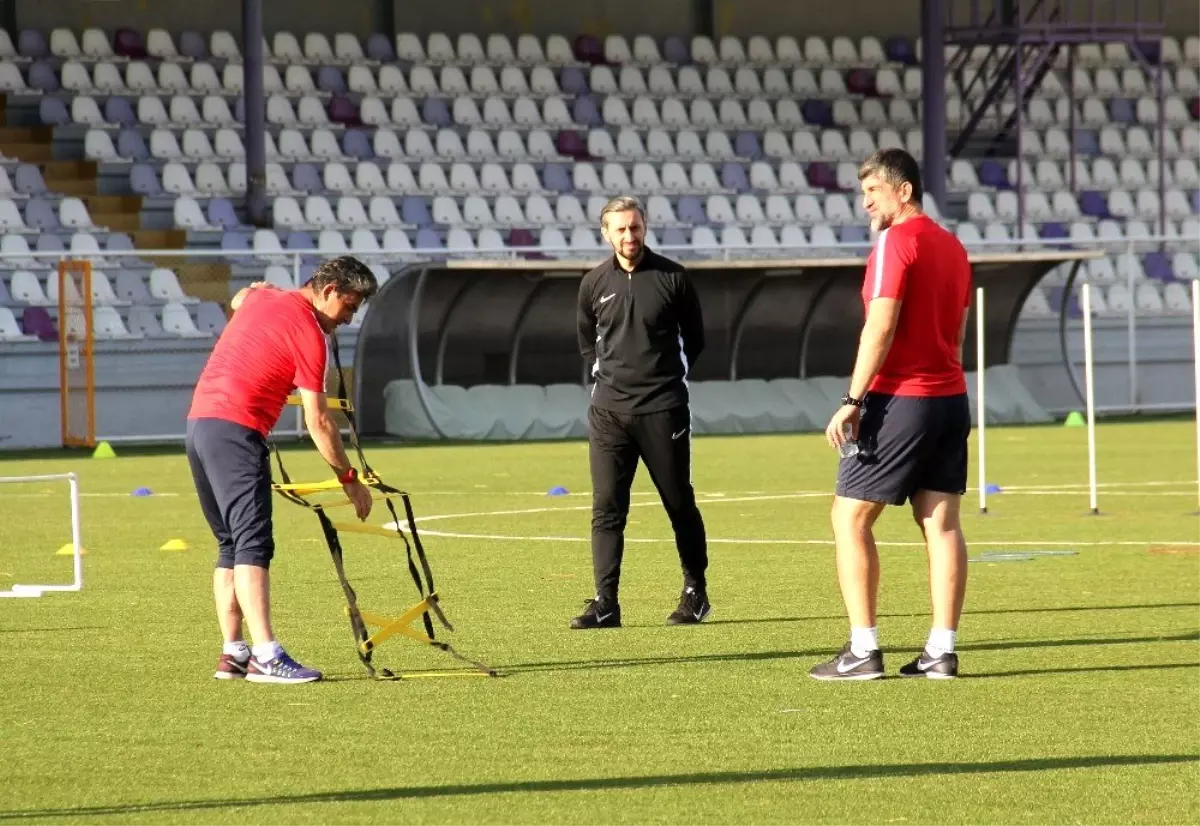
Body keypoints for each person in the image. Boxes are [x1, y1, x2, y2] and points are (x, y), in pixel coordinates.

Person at [808, 149, 973, 681]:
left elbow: (879, 327)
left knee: (848, 517)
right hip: (950, 398)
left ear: (903, 191)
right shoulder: (953, 247)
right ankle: (941, 651)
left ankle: (862, 650)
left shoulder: (894, 243)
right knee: (941, 524)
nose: (866, 204)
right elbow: (958, 333)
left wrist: (853, 400)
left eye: (873, 192)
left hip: (902, 400)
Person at [186, 256, 377, 684]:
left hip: (199, 425)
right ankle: (266, 656)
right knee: (253, 544)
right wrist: (349, 480)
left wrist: (255, 291)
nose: (348, 318)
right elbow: (319, 420)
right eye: (349, 306)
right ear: (329, 291)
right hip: (237, 430)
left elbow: (240, 297)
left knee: (230, 544)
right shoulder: (310, 333)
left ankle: (234, 652)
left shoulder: (264, 297)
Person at [570, 195, 711, 629]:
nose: (629, 236)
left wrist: (666, 380)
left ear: (645, 227)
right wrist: (606, 379)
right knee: (607, 508)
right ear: (606, 233)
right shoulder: (593, 284)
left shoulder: (673, 278)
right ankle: (606, 602)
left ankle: (695, 593)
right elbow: (586, 343)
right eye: (620, 229)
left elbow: (696, 340)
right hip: (609, 413)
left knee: (677, 501)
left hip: (663, 410)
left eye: (635, 227)